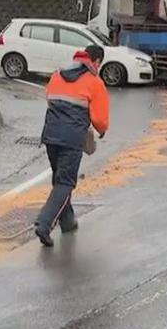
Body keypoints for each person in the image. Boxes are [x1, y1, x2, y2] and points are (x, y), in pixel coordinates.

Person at [34, 45, 110, 247]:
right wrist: (101, 130)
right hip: (71, 139)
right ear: (96, 62)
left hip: (50, 135)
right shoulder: (94, 82)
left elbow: (50, 100)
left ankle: (67, 221)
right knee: (65, 182)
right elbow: (100, 119)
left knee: (59, 179)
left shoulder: (57, 75)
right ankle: (44, 223)